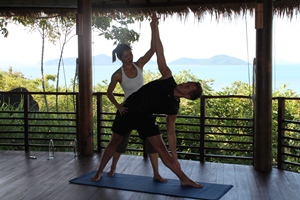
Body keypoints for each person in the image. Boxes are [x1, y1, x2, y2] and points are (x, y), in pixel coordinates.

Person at [92, 13, 203, 188]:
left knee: (161, 149)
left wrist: (175, 156)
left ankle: (182, 177)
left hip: (145, 117)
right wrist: (155, 27)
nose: (184, 84)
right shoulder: (167, 77)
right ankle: (100, 171)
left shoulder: (173, 107)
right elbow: (159, 51)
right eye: (187, 83)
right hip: (128, 110)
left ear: (188, 96)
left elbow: (171, 133)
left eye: (188, 87)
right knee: (114, 141)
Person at [105, 18, 167, 183]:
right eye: (126, 56)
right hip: (128, 110)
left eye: (130, 54)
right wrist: (118, 106)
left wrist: (154, 27)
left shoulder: (139, 64)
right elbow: (109, 93)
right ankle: (112, 168)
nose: (129, 57)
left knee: (151, 142)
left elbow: (153, 49)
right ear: (120, 58)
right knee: (120, 141)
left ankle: (156, 174)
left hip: (144, 109)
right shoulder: (118, 74)